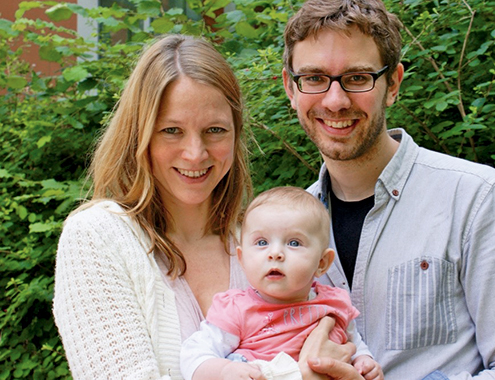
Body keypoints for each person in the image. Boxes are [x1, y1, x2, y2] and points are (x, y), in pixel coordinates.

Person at [281, 1, 495, 379]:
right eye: (314, 78)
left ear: (393, 83)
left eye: (358, 77)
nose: (335, 100)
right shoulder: (284, 228)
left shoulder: (475, 197)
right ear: (291, 87)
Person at [52, 34, 353, 380]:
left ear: (235, 134)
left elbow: (341, 346)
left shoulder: (265, 242)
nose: (195, 153)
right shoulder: (98, 237)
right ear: (140, 135)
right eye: (171, 131)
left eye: (214, 130)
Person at [180, 186, 383, 380]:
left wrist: (364, 361)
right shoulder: (237, 309)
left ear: (322, 263)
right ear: (242, 259)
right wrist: (224, 371)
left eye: (293, 243)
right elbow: (194, 354)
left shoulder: (335, 303)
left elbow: (354, 342)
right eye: (262, 242)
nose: (275, 253)